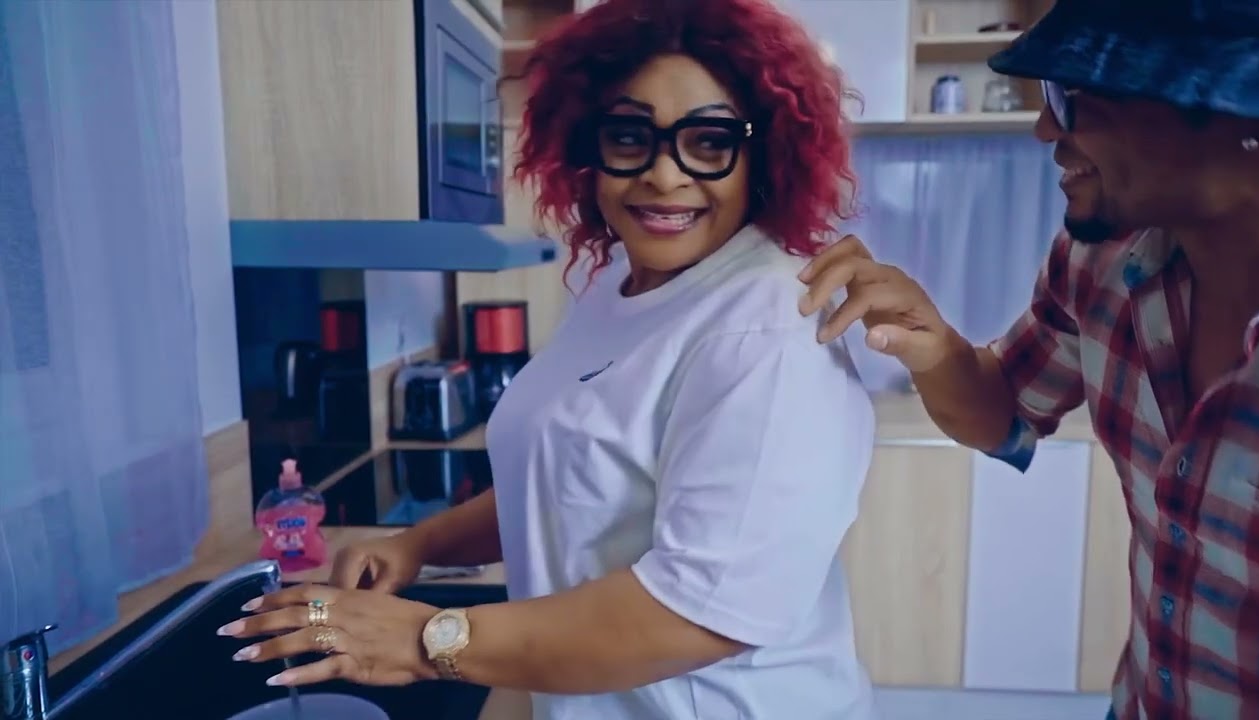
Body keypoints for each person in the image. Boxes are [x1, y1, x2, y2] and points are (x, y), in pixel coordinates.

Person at [216, 1, 879, 718]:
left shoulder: (766, 330)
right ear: (588, 146)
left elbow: (697, 614)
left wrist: (423, 639)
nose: (664, 175)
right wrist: (419, 544)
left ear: (764, 157)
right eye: (629, 136)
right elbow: (566, 480)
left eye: (710, 142)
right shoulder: (618, 283)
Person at [799, 1, 1259, 718]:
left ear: (1250, 116)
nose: (1046, 129)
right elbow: (1002, 412)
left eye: (1075, 95)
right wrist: (931, 342)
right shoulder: (1100, 264)